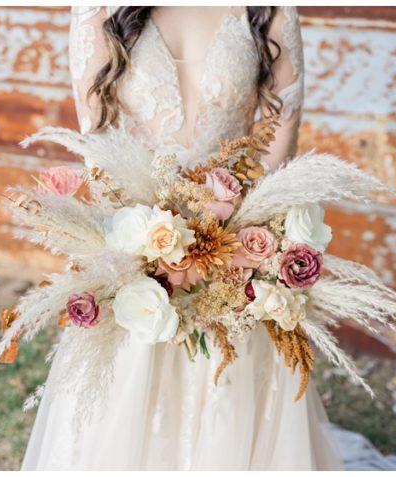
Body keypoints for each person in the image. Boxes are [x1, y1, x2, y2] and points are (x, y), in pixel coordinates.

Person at [20, 7, 343, 470]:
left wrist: (241, 230)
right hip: (140, 242)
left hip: (237, 250)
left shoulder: (268, 8)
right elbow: (97, 139)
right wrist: (151, 245)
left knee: (230, 391)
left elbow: (282, 124)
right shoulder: (98, 8)